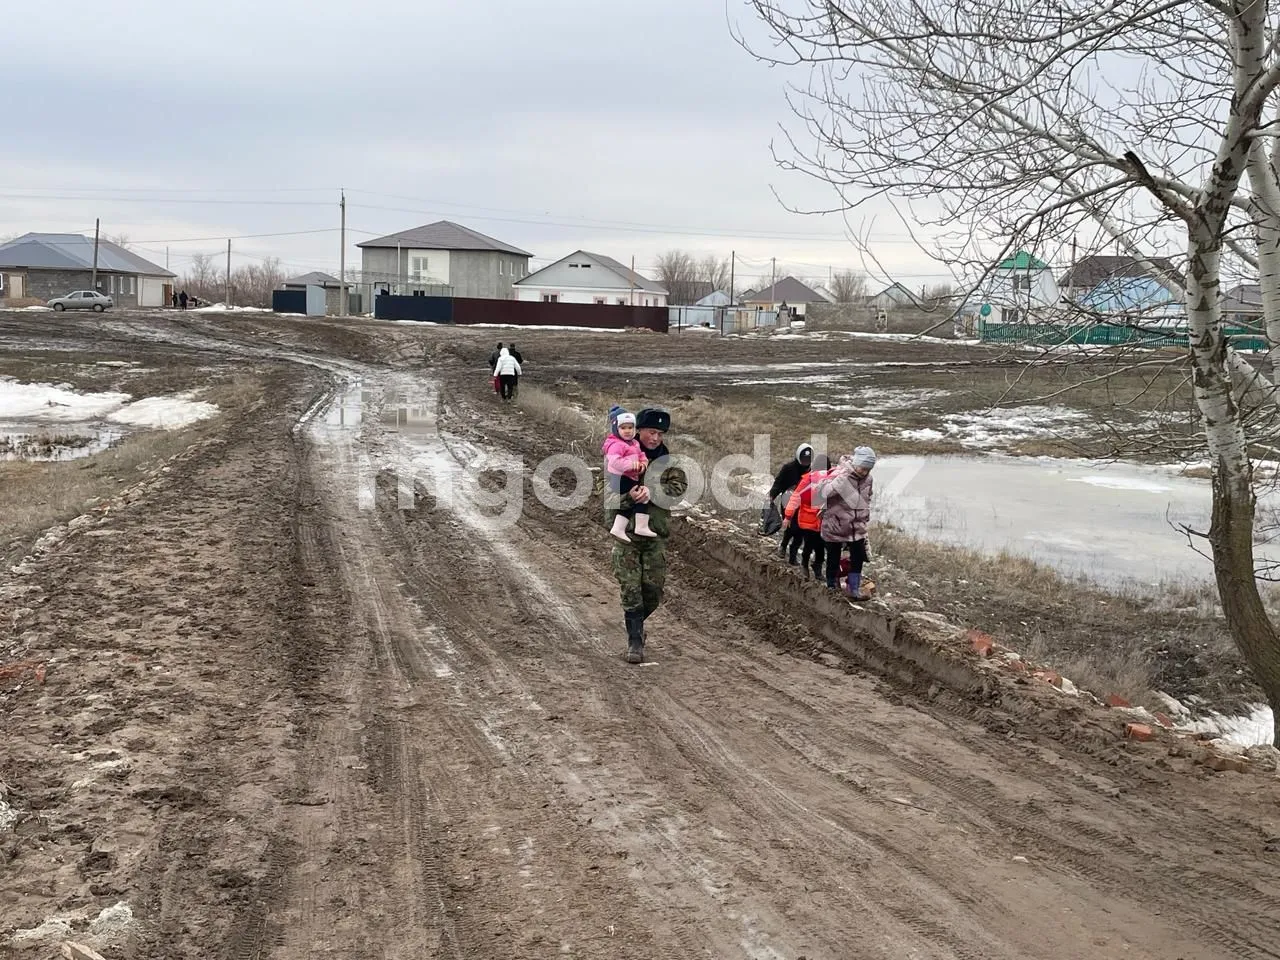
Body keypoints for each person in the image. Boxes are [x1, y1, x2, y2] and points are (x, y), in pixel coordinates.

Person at [609, 407, 686, 664]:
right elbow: (605, 494)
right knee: (630, 588)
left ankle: (637, 626)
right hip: (627, 535)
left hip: (656, 535)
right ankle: (634, 641)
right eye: (651, 432)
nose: (655, 438)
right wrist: (628, 497)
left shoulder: (669, 461)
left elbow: (679, 489)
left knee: (652, 591)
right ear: (638, 430)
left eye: (660, 434)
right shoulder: (619, 454)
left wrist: (652, 492)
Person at [817, 446, 877, 600]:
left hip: (857, 527)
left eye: (867, 469)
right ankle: (831, 585)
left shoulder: (869, 479)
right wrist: (837, 484)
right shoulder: (841, 475)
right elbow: (822, 493)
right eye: (862, 468)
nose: (864, 472)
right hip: (835, 525)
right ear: (856, 463)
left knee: (858, 558)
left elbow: (867, 498)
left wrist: (865, 515)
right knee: (833, 557)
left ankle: (853, 589)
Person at [603, 407, 657, 543]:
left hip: (632, 477)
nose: (627, 431)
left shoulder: (634, 443)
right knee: (635, 498)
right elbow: (615, 461)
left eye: (630, 427)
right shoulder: (616, 444)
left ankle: (640, 526)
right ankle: (621, 527)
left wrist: (643, 464)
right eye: (623, 428)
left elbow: (642, 455)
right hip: (621, 478)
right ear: (616, 429)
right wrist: (631, 465)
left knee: (640, 497)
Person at [782, 454, 830, 580]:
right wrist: (788, 516)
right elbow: (796, 497)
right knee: (809, 545)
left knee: (820, 547)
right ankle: (805, 565)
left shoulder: (831, 481)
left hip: (823, 522)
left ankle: (817, 567)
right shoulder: (808, 480)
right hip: (808, 520)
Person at [767, 443, 814, 558]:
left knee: (801, 530)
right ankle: (783, 546)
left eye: (808, 459)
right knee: (791, 527)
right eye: (803, 458)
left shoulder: (811, 472)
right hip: (787, 502)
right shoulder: (788, 468)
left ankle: (793, 553)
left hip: (803, 505)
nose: (805, 461)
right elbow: (778, 483)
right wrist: (772, 495)